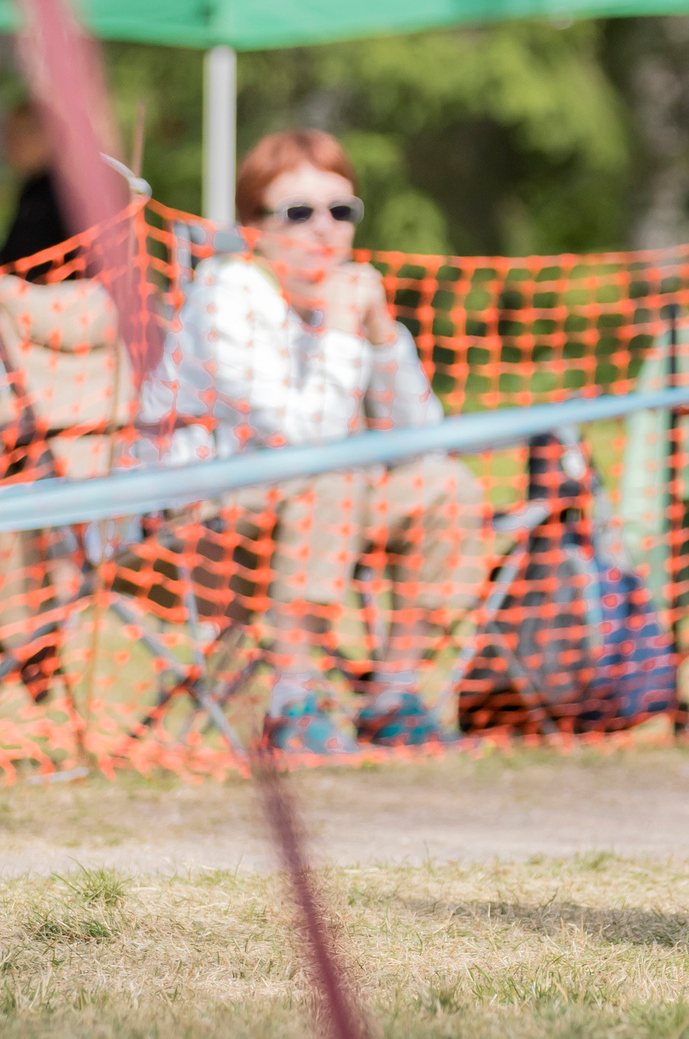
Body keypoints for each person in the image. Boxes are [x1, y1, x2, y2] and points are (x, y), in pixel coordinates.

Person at [131, 130, 493, 755]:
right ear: (253, 227)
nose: (324, 229)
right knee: (332, 475)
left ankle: (393, 695)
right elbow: (305, 441)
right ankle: (291, 700)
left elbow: (424, 443)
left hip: (312, 512)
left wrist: (383, 335)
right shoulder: (226, 294)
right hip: (199, 526)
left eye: (341, 210)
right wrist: (347, 330)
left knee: (447, 485)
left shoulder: (345, 302)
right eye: (298, 212)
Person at [0, 104, 72, 269]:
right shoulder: (32, 189)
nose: (10, 145)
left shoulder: (63, 193)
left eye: (17, 135)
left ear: (46, 136)